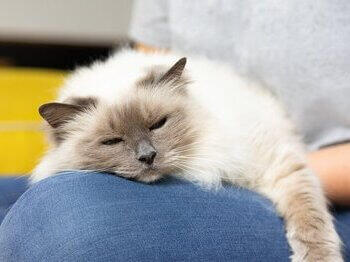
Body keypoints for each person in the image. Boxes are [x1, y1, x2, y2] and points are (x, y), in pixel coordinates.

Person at [0, 1, 349, 261]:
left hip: (334, 185)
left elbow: (282, 165)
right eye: (113, 140)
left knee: (60, 219)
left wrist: (308, 230)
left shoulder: (224, 123)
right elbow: (140, 71)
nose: (145, 153)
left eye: (158, 125)